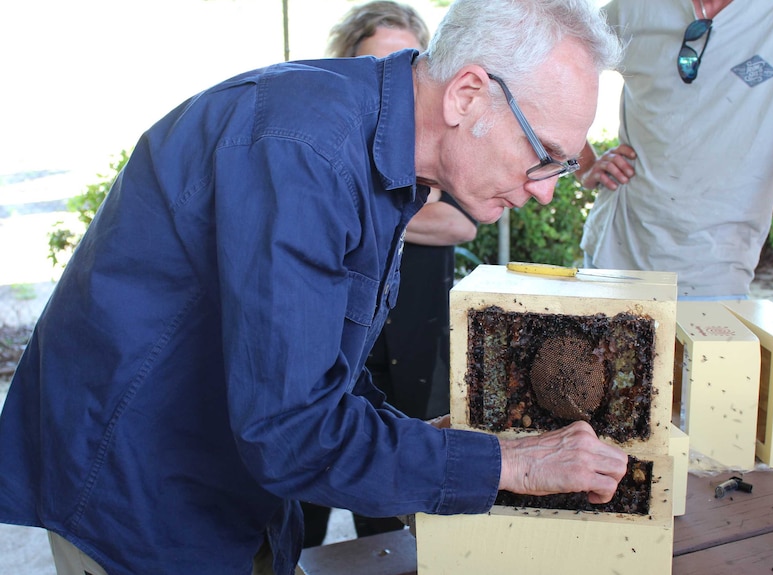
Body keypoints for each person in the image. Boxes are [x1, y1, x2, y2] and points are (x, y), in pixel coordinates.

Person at [0, 1, 627, 574]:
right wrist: (508, 464)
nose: (546, 187)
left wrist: (429, 443)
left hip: (223, 474)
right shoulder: (307, 151)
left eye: (564, 165)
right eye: (544, 153)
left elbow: (314, 364)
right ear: (467, 95)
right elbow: (289, 431)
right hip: (137, 490)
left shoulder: (376, 142)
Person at [301, 0, 479, 547]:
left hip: (406, 354)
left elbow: (462, 224)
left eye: (408, 61)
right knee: (297, 512)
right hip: (324, 361)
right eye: (377, 63)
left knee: (387, 528)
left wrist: (377, 203)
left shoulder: (439, 147)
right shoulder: (321, 146)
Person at [577, 0, 773, 302]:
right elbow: (559, 60)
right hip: (611, 262)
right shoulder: (634, 7)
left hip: (716, 280)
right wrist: (582, 162)